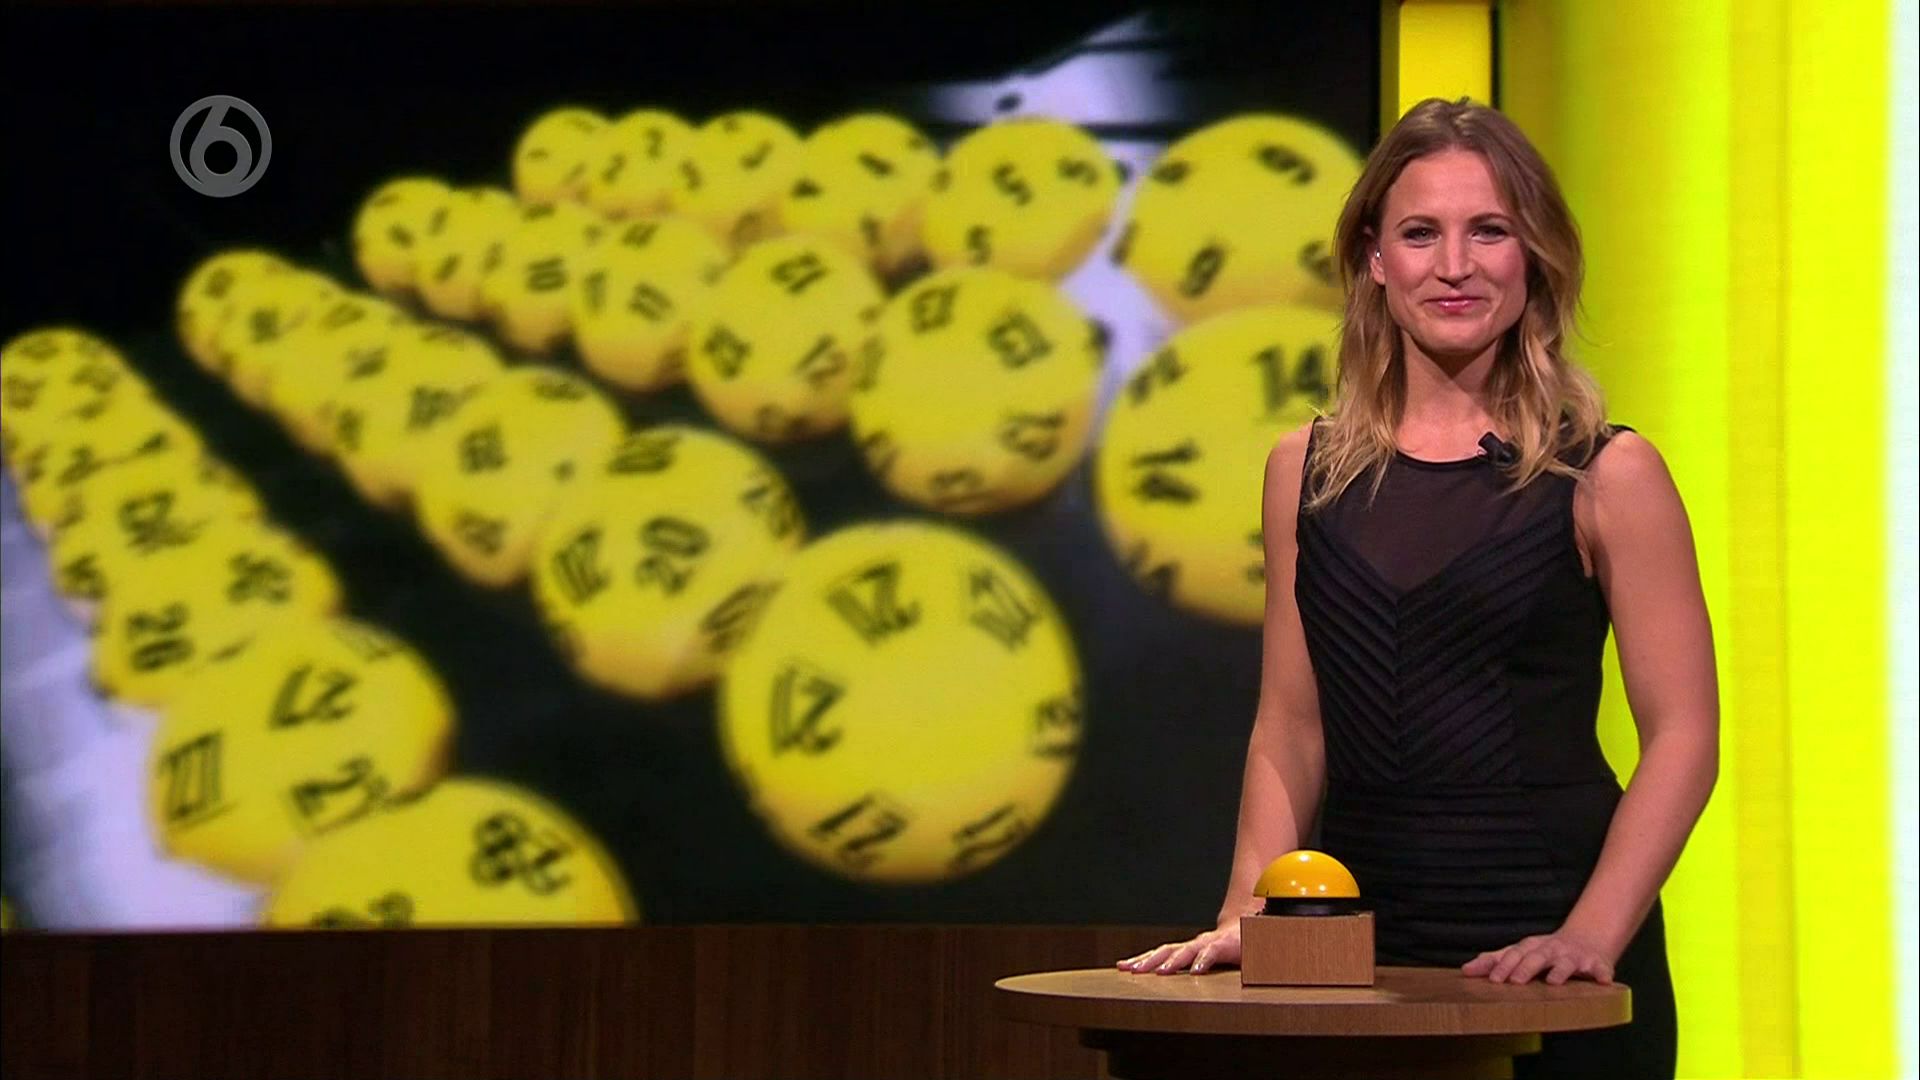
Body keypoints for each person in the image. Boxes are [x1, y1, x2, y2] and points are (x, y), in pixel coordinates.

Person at [1116, 97, 1719, 1079]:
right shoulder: (1303, 470)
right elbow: (1291, 724)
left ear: (1535, 256)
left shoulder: (1608, 474)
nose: (1455, 265)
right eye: (1420, 233)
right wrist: (1248, 912)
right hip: (1358, 947)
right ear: (1373, 259)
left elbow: (1684, 736)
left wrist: (1590, 937)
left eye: (1490, 231)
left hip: (1555, 946)